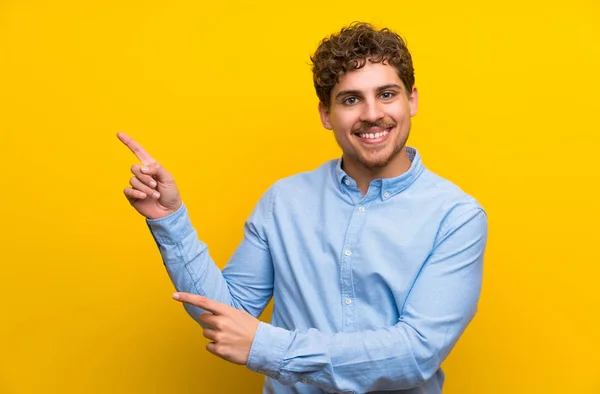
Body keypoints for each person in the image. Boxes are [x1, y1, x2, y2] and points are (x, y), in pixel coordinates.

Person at [118, 21, 488, 394]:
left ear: (412, 100)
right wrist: (170, 220)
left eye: (387, 94)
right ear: (326, 114)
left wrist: (268, 348)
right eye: (351, 99)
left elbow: (415, 352)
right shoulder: (283, 201)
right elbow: (227, 317)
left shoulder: (456, 217)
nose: (372, 113)